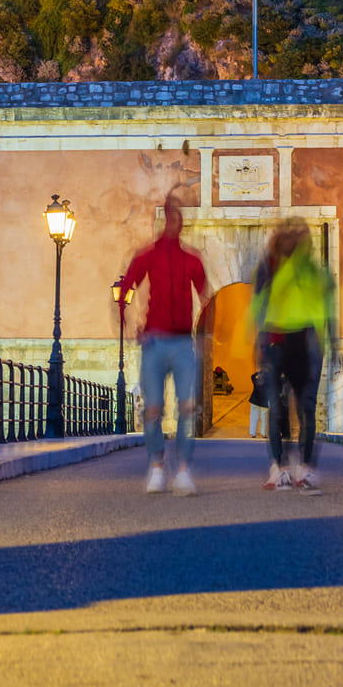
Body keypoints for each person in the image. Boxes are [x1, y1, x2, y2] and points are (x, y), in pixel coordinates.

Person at [118, 194, 209, 495]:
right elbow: (126, 286)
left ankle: (183, 470)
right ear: (162, 222)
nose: (173, 223)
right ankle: (157, 467)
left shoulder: (191, 260)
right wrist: (129, 323)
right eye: (168, 217)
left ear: (181, 224)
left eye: (177, 218)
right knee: (153, 409)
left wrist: (204, 336)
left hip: (184, 343)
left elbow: (207, 298)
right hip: (155, 342)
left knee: (187, 407)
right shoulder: (147, 256)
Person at [251, 220, 336, 493]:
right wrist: (257, 340)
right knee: (277, 409)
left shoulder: (313, 271)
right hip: (275, 345)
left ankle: (305, 467)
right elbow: (259, 306)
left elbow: (327, 307)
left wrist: (332, 341)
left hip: (307, 343)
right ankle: (279, 467)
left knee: (306, 408)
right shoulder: (268, 269)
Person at [248, 369, 269, 438]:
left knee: (254, 417)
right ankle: (263, 434)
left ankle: (253, 433)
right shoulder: (267, 384)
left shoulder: (256, 381)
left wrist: (258, 372)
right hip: (264, 403)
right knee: (264, 418)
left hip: (254, 402)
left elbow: (252, 376)